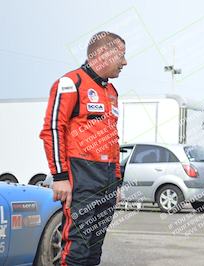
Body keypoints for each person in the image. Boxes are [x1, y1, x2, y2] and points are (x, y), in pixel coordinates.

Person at [40, 31, 127, 266]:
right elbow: (52, 129)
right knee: (77, 246)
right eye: (122, 55)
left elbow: (113, 139)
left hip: (107, 178)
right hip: (81, 176)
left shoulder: (111, 92)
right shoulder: (70, 83)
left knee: (94, 247)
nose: (125, 62)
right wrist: (59, 177)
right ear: (102, 54)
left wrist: (115, 181)